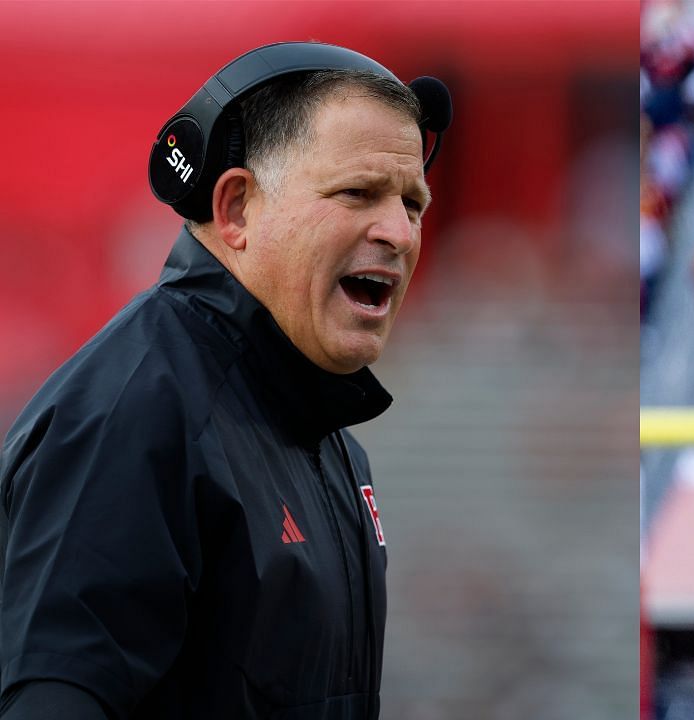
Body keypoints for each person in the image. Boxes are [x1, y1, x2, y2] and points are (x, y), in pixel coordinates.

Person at [0, 42, 448, 719]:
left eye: (412, 204)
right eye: (358, 193)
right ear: (236, 208)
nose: (400, 232)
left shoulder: (320, 431)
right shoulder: (136, 416)